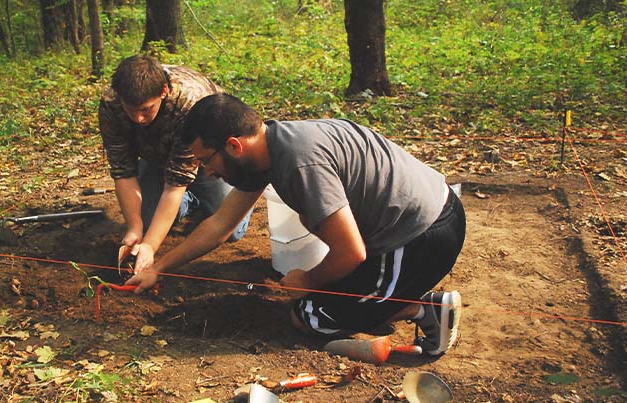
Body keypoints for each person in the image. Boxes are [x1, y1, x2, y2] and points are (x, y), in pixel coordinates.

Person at [127, 93, 466, 356]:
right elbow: (220, 224)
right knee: (323, 294)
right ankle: (376, 302)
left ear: (233, 146)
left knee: (309, 318)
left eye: (207, 161)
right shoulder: (270, 148)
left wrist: (307, 279)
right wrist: (160, 267)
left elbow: (350, 253)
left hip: (421, 236)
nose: (208, 173)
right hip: (407, 224)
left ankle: (424, 307)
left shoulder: (298, 164)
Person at [98, 56, 253, 275]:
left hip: (212, 158)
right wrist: (135, 228)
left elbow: (174, 186)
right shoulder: (111, 104)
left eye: (146, 109)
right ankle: (192, 201)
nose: (138, 119)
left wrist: (150, 247)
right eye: (131, 110)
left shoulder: (189, 101)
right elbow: (123, 172)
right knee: (147, 222)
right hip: (160, 158)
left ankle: (235, 188)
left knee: (232, 230)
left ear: (163, 92)